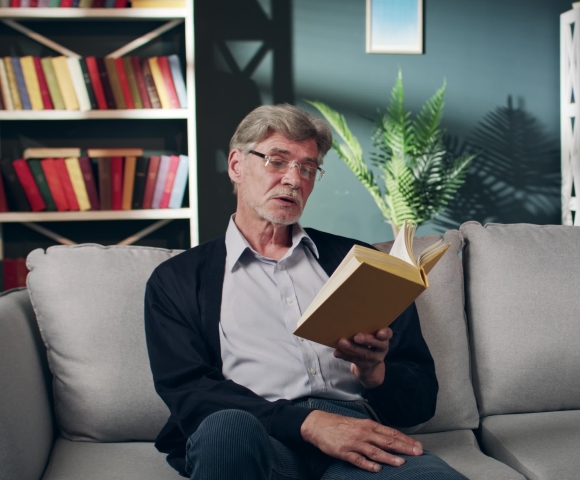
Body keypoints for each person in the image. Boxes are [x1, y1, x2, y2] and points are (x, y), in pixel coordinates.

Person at [144, 104, 464, 479]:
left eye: (308, 168)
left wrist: (375, 372)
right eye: (277, 161)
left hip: (355, 436)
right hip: (256, 432)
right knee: (225, 428)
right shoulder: (177, 279)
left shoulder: (363, 264)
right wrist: (308, 423)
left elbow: (421, 400)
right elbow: (190, 393)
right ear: (236, 165)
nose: (294, 180)